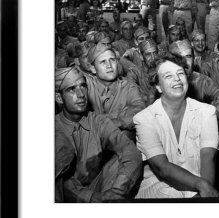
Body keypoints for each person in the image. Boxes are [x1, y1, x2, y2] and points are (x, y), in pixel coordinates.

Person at [133, 57, 219, 198]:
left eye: (180, 73)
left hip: (198, 186)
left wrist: (204, 192)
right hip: (158, 188)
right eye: (168, 76)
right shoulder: (144, 119)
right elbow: (161, 168)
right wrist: (203, 186)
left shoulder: (207, 112)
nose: (177, 79)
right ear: (158, 86)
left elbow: (208, 157)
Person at [55, 66, 142, 202]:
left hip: (98, 188)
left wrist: (116, 192)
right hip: (66, 198)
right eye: (72, 89)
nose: (81, 94)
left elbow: (130, 152)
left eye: (83, 86)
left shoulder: (97, 121)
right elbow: (63, 183)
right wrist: (94, 198)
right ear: (59, 98)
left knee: (121, 157)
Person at [83, 43, 145, 139]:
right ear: (93, 68)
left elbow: (140, 111)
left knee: (124, 133)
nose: (109, 66)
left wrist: (117, 122)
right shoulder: (86, 87)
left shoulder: (128, 86)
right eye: (103, 62)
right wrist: (123, 115)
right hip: (92, 143)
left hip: (123, 145)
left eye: (112, 60)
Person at [169, 39, 219, 131]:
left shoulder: (202, 80)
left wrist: (210, 115)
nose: (184, 63)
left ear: (194, 59)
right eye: (178, 58)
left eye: (188, 57)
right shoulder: (163, 83)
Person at [126, 39, 160, 106]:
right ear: (141, 57)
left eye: (155, 53)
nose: (153, 58)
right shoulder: (134, 72)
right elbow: (130, 94)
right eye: (148, 55)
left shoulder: (164, 69)